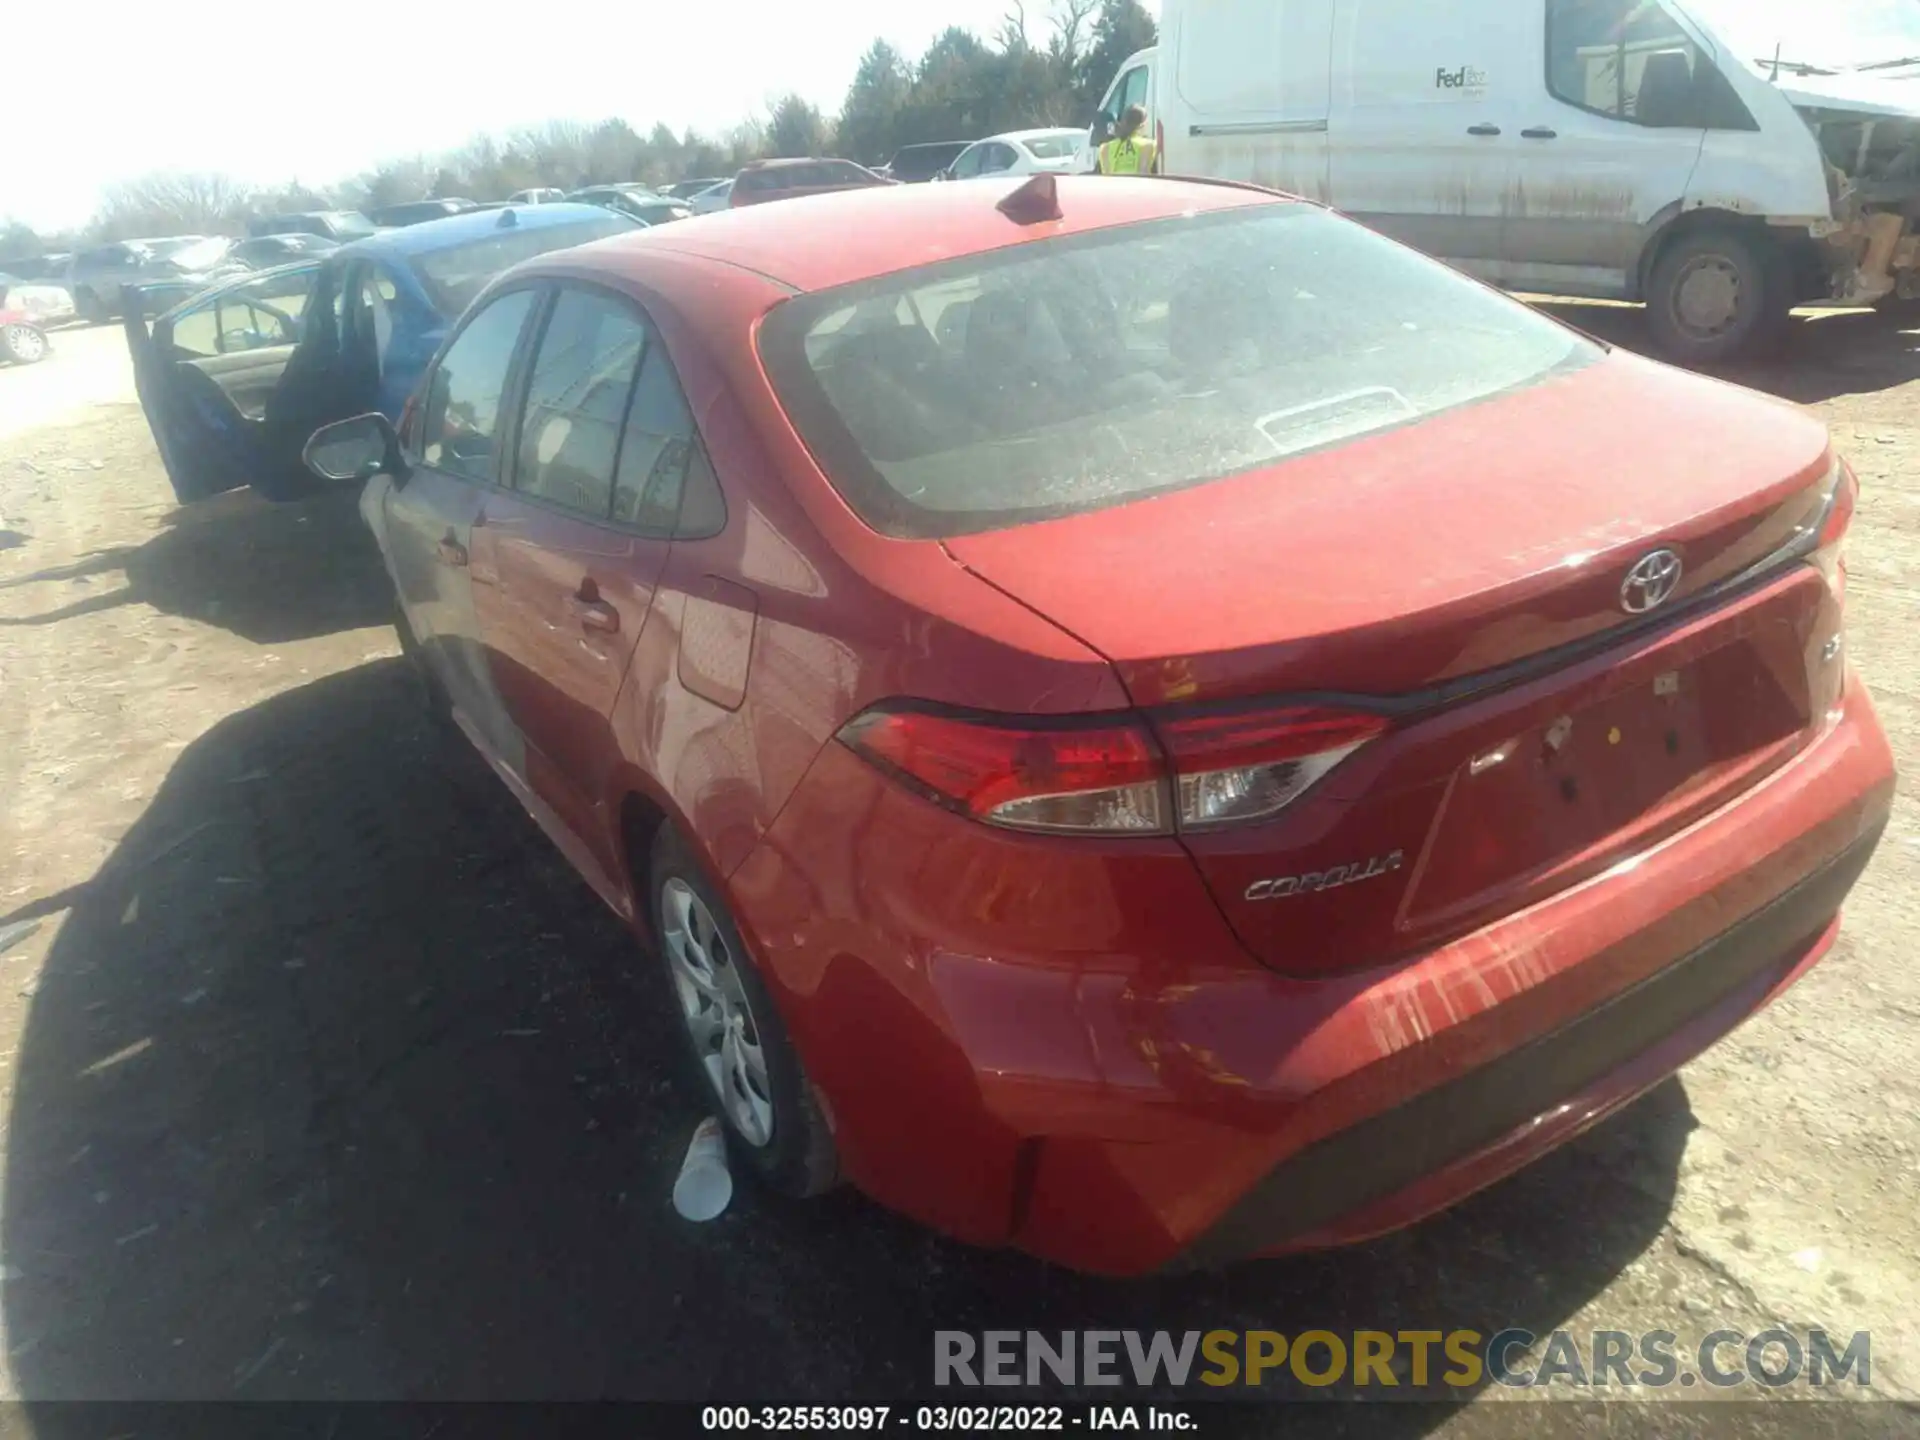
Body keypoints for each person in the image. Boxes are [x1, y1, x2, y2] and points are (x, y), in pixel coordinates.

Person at [1096, 105, 1160, 176]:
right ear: (1143, 125)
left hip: (1112, 186)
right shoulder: (1149, 146)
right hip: (1139, 186)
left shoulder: (1105, 148)